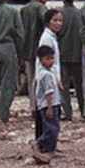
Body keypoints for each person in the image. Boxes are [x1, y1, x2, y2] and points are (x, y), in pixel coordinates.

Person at [36, 9, 64, 140]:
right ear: (48, 22)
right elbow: (47, 60)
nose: (58, 23)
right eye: (55, 20)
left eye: (60, 20)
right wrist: (55, 78)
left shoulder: (52, 36)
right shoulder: (47, 38)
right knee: (47, 114)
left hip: (51, 77)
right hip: (47, 78)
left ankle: (46, 143)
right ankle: (43, 143)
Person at [55, 0, 83, 120]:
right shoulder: (80, 13)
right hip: (78, 54)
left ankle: (67, 112)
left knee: (63, 85)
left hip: (62, 53)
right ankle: (84, 110)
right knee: (80, 85)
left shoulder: (58, 14)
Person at [19, 0, 49, 99]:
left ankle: (33, 106)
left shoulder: (24, 9)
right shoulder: (41, 8)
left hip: (27, 49)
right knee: (42, 78)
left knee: (31, 79)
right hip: (40, 49)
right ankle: (41, 106)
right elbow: (46, 21)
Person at [32, 45, 60, 165]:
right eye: (47, 59)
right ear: (40, 60)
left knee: (53, 127)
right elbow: (48, 92)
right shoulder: (46, 75)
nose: (51, 61)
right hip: (49, 104)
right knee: (52, 128)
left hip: (50, 104)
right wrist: (49, 107)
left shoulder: (44, 73)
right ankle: (39, 143)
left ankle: (49, 150)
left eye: (52, 58)